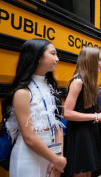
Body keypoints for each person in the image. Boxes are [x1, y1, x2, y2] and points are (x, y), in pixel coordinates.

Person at [0, 39, 66, 177]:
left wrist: (58, 156)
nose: (57, 58)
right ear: (38, 57)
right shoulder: (22, 92)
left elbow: (58, 125)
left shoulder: (51, 89)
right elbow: (29, 137)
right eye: (53, 54)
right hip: (27, 157)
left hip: (51, 157)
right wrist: (56, 159)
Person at [63, 47, 101, 177]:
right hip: (80, 133)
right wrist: (96, 116)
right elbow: (66, 113)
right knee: (81, 172)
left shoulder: (89, 82)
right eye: (99, 60)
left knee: (88, 173)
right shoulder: (78, 81)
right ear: (90, 60)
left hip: (89, 130)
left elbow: (88, 109)